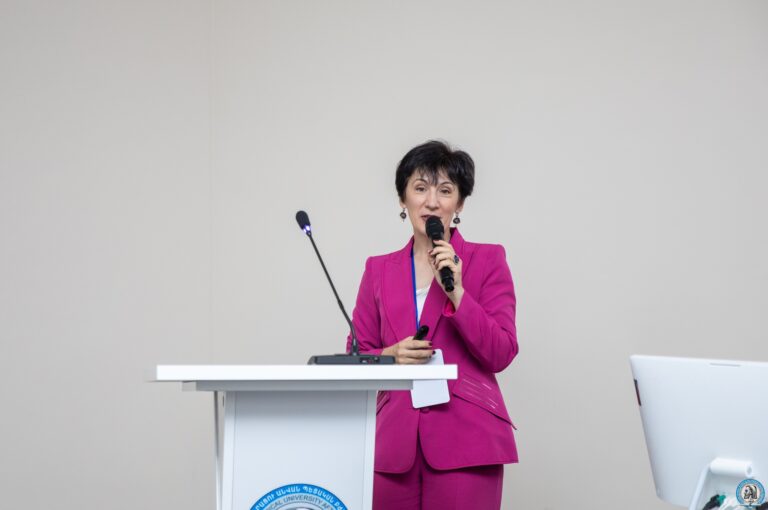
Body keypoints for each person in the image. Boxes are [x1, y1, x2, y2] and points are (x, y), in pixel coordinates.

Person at [346, 140, 519, 510]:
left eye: (445, 190)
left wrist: (457, 292)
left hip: (468, 444)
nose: (431, 202)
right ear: (402, 199)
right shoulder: (378, 270)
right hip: (392, 447)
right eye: (420, 188)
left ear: (459, 204)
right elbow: (355, 357)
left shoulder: (488, 260)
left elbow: (501, 352)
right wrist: (389, 356)